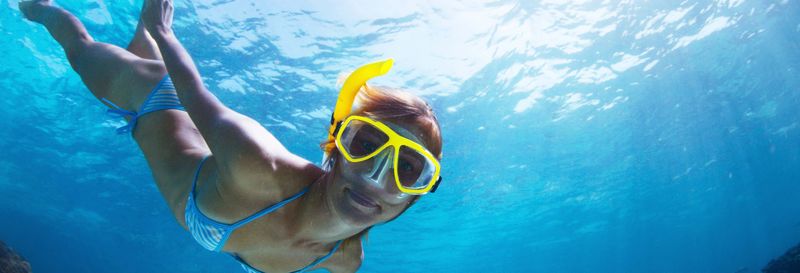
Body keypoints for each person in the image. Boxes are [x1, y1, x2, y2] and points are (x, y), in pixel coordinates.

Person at [19, 0, 443, 272]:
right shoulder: (257, 163)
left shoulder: (344, 259)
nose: (375, 177)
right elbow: (195, 95)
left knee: (141, 45)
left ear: (417, 194)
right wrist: (164, 32)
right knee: (77, 46)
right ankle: (38, 7)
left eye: (409, 170)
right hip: (152, 97)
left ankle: (146, 35)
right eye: (365, 145)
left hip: (182, 136)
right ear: (335, 147)